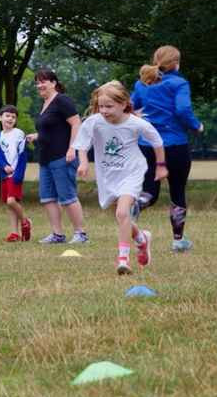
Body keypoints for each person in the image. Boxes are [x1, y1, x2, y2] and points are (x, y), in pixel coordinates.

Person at [74, 81, 167, 275]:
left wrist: (160, 165)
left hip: (132, 172)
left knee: (123, 213)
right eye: (101, 106)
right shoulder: (94, 122)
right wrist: (83, 163)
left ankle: (123, 259)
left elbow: (157, 141)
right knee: (120, 216)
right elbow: (82, 144)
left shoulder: (136, 123)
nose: (104, 110)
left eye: (109, 106)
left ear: (124, 104)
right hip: (108, 175)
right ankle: (141, 238)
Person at [130, 45, 203, 253]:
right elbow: (183, 109)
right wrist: (196, 125)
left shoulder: (142, 83)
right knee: (177, 191)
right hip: (175, 144)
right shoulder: (179, 83)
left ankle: (136, 207)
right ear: (177, 63)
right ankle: (178, 240)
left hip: (147, 145)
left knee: (149, 191)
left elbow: (130, 107)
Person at [25, 68, 88, 244]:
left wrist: (72, 149)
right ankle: (57, 235)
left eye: (43, 81)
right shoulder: (45, 104)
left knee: (67, 197)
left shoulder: (62, 100)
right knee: (47, 198)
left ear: (53, 82)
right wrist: (36, 136)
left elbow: (76, 123)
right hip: (45, 158)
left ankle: (81, 234)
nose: (39, 85)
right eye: (37, 82)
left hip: (62, 157)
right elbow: (53, 129)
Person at [0, 104, 32, 242]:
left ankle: (25, 221)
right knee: (9, 204)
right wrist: (3, 166)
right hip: (4, 175)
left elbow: (22, 155)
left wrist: (19, 173)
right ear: (0, 118)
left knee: (11, 201)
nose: (10, 119)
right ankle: (14, 233)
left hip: (15, 174)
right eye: (7, 116)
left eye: (13, 117)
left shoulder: (18, 134)